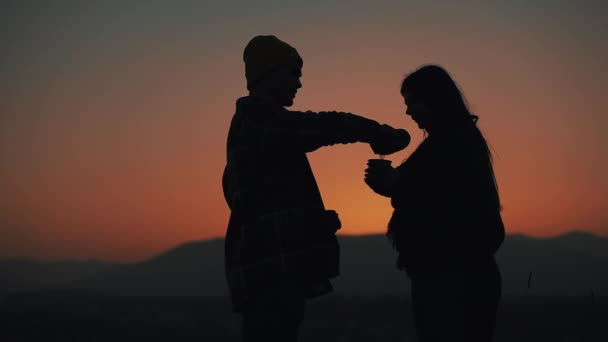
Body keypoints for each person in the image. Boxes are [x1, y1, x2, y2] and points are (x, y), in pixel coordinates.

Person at [222, 35, 410, 342]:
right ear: (267, 74)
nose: (298, 83)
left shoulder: (256, 128)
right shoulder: (260, 121)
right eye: (293, 73)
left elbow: (259, 201)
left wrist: (312, 224)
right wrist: (375, 132)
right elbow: (322, 126)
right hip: (271, 274)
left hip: (268, 271)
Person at [364, 64, 505, 342]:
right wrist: (393, 186)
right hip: (449, 274)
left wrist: (396, 185)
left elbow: (453, 203)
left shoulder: (454, 143)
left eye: (411, 102)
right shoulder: (450, 142)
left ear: (432, 99)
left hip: (455, 277)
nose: (408, 111)